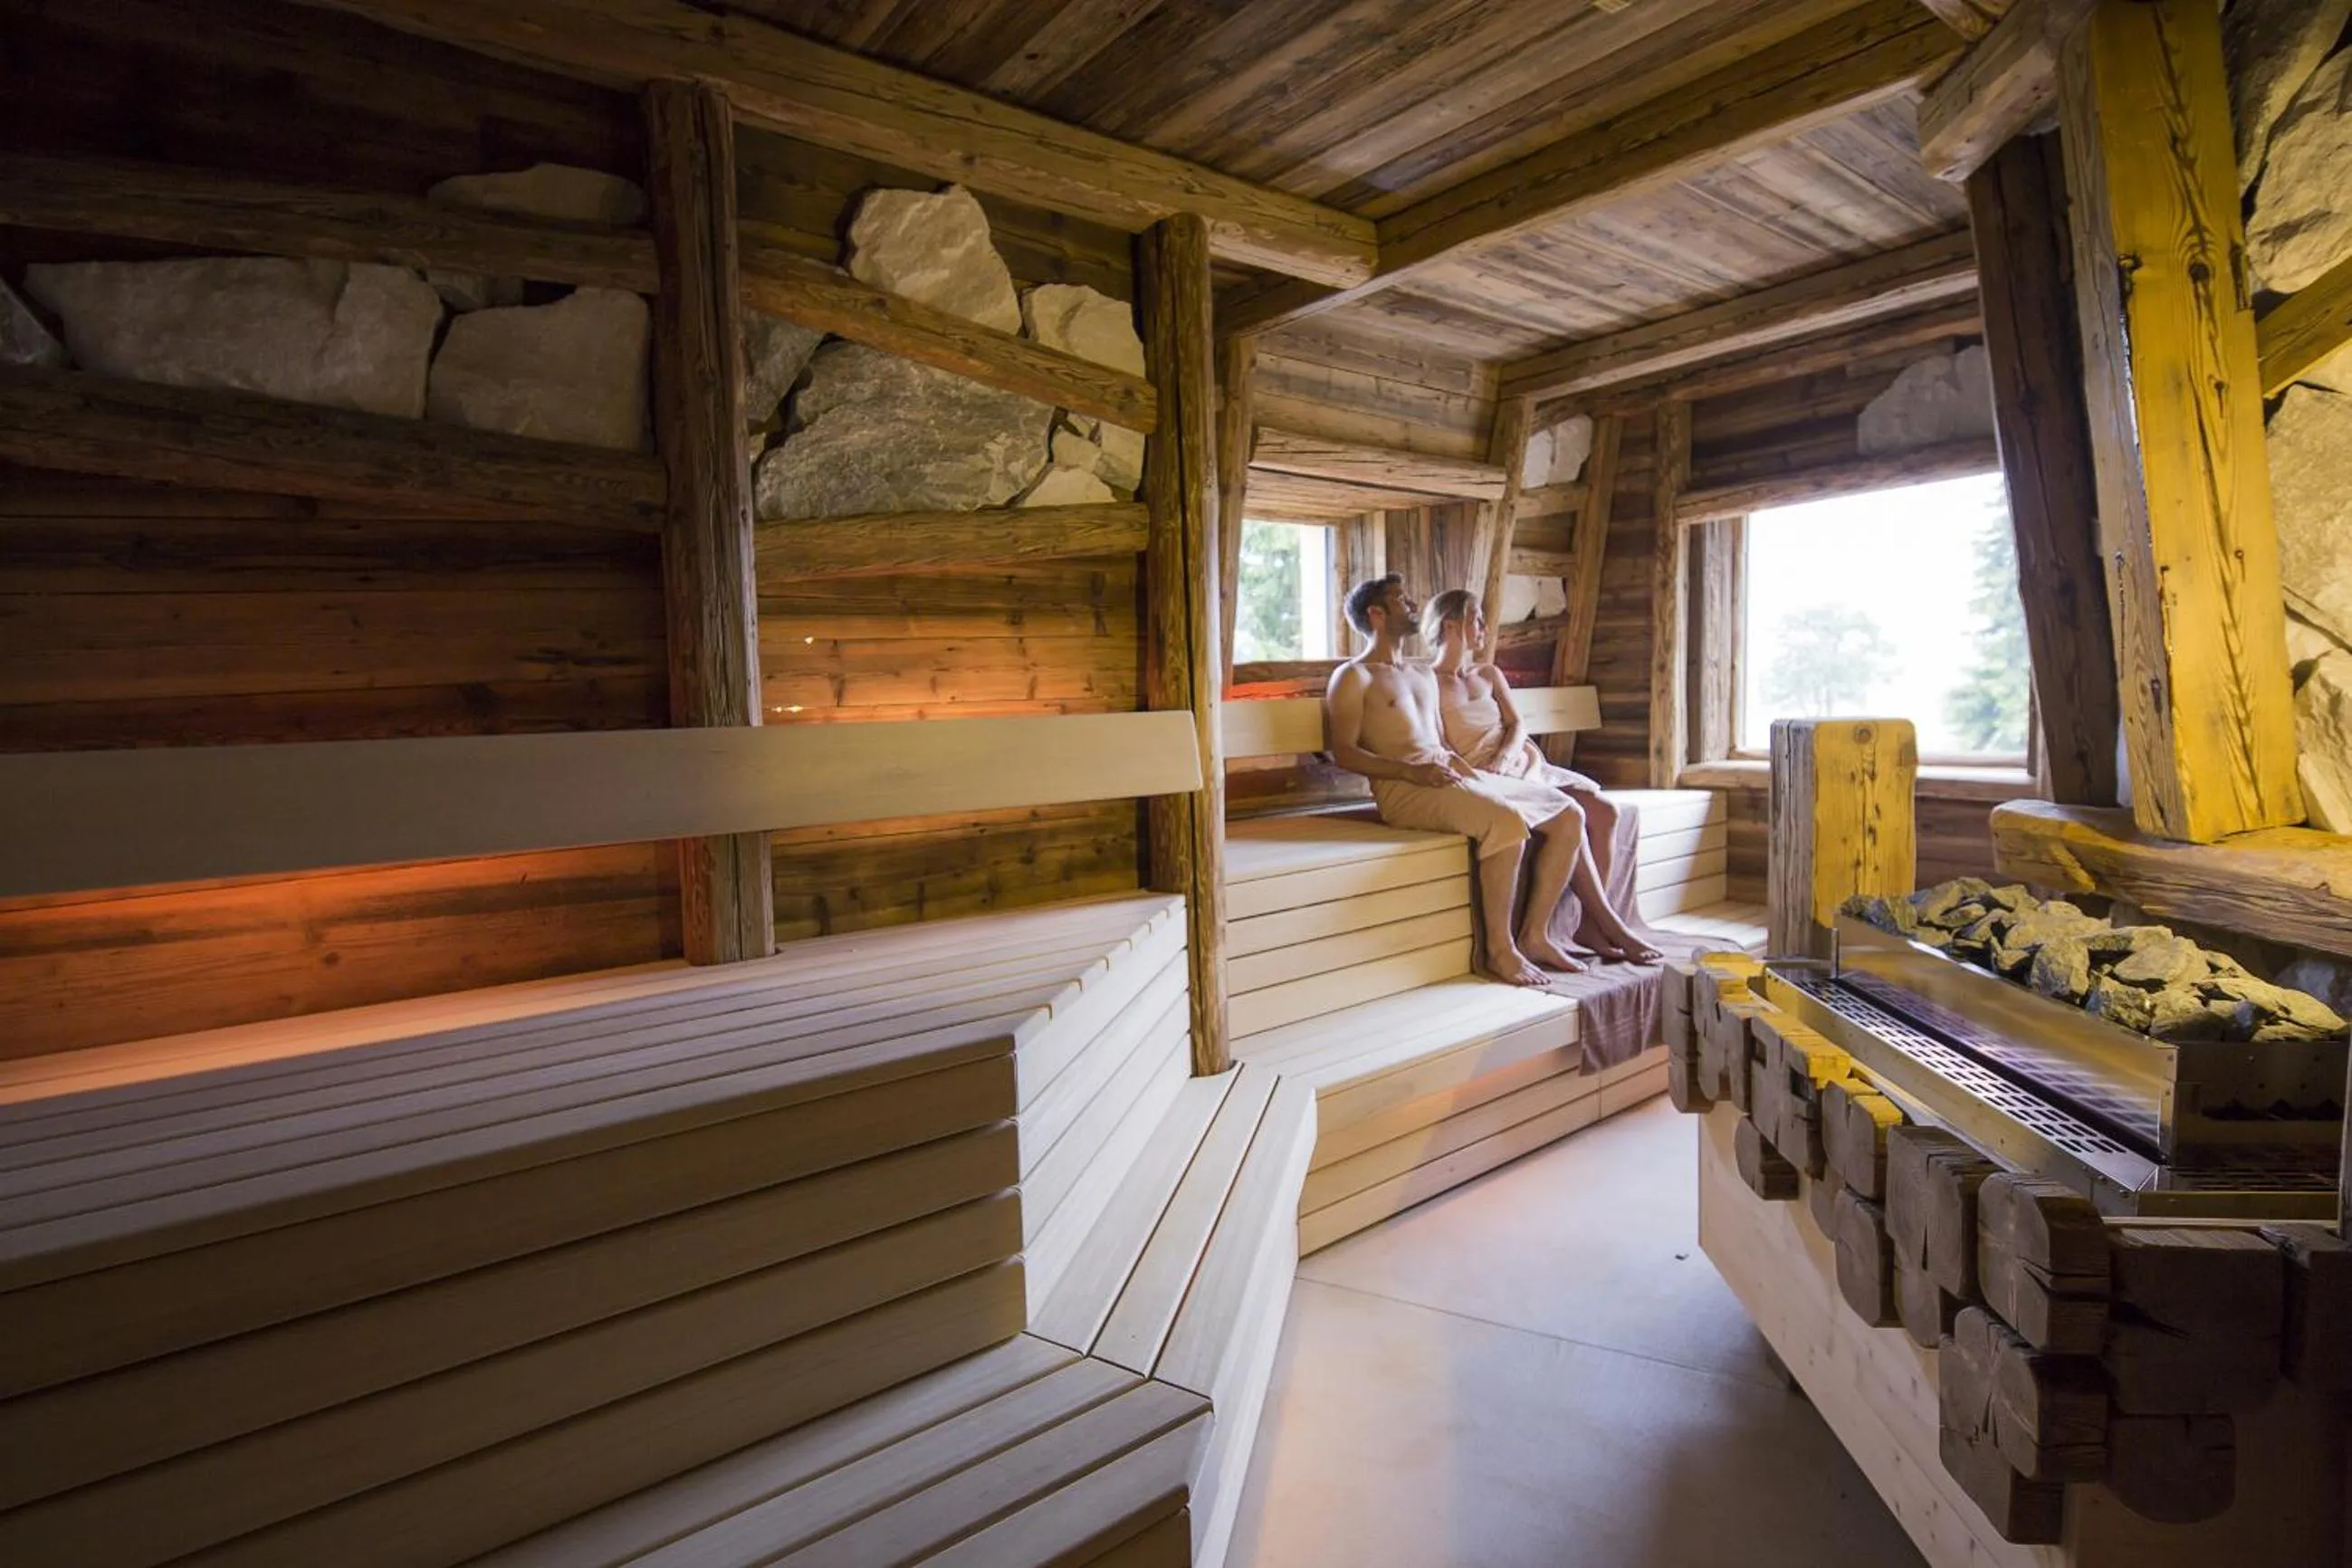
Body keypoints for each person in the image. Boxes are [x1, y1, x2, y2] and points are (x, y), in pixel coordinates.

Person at [1324, 573, 1594, 986]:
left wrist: (1476, 776)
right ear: (1376, 614)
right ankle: (1500, 951)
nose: (1413, 605)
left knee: (1568, 814)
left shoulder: (1418, 674)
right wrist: (1410, 772)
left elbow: (1438, 743)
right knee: (1505, 821)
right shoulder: (1354, 677)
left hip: (1446, 775)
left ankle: (1535, 935)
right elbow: (1343, 753)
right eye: (1401, 600)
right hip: (1405, 789)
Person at [1420, 587, 1659, 965]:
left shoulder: (1488, 673)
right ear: (1450, 625)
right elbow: (1436, 743)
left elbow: (1516, 725)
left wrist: (1505, 755)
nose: (1483, 626)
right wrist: (1484, 771)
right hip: (1481, 773)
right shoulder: (1426, 682)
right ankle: (1577, 926)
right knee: (1570, 816)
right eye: (1475, 618)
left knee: (1605, 811)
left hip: (1519, 761)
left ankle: (1591, 926)